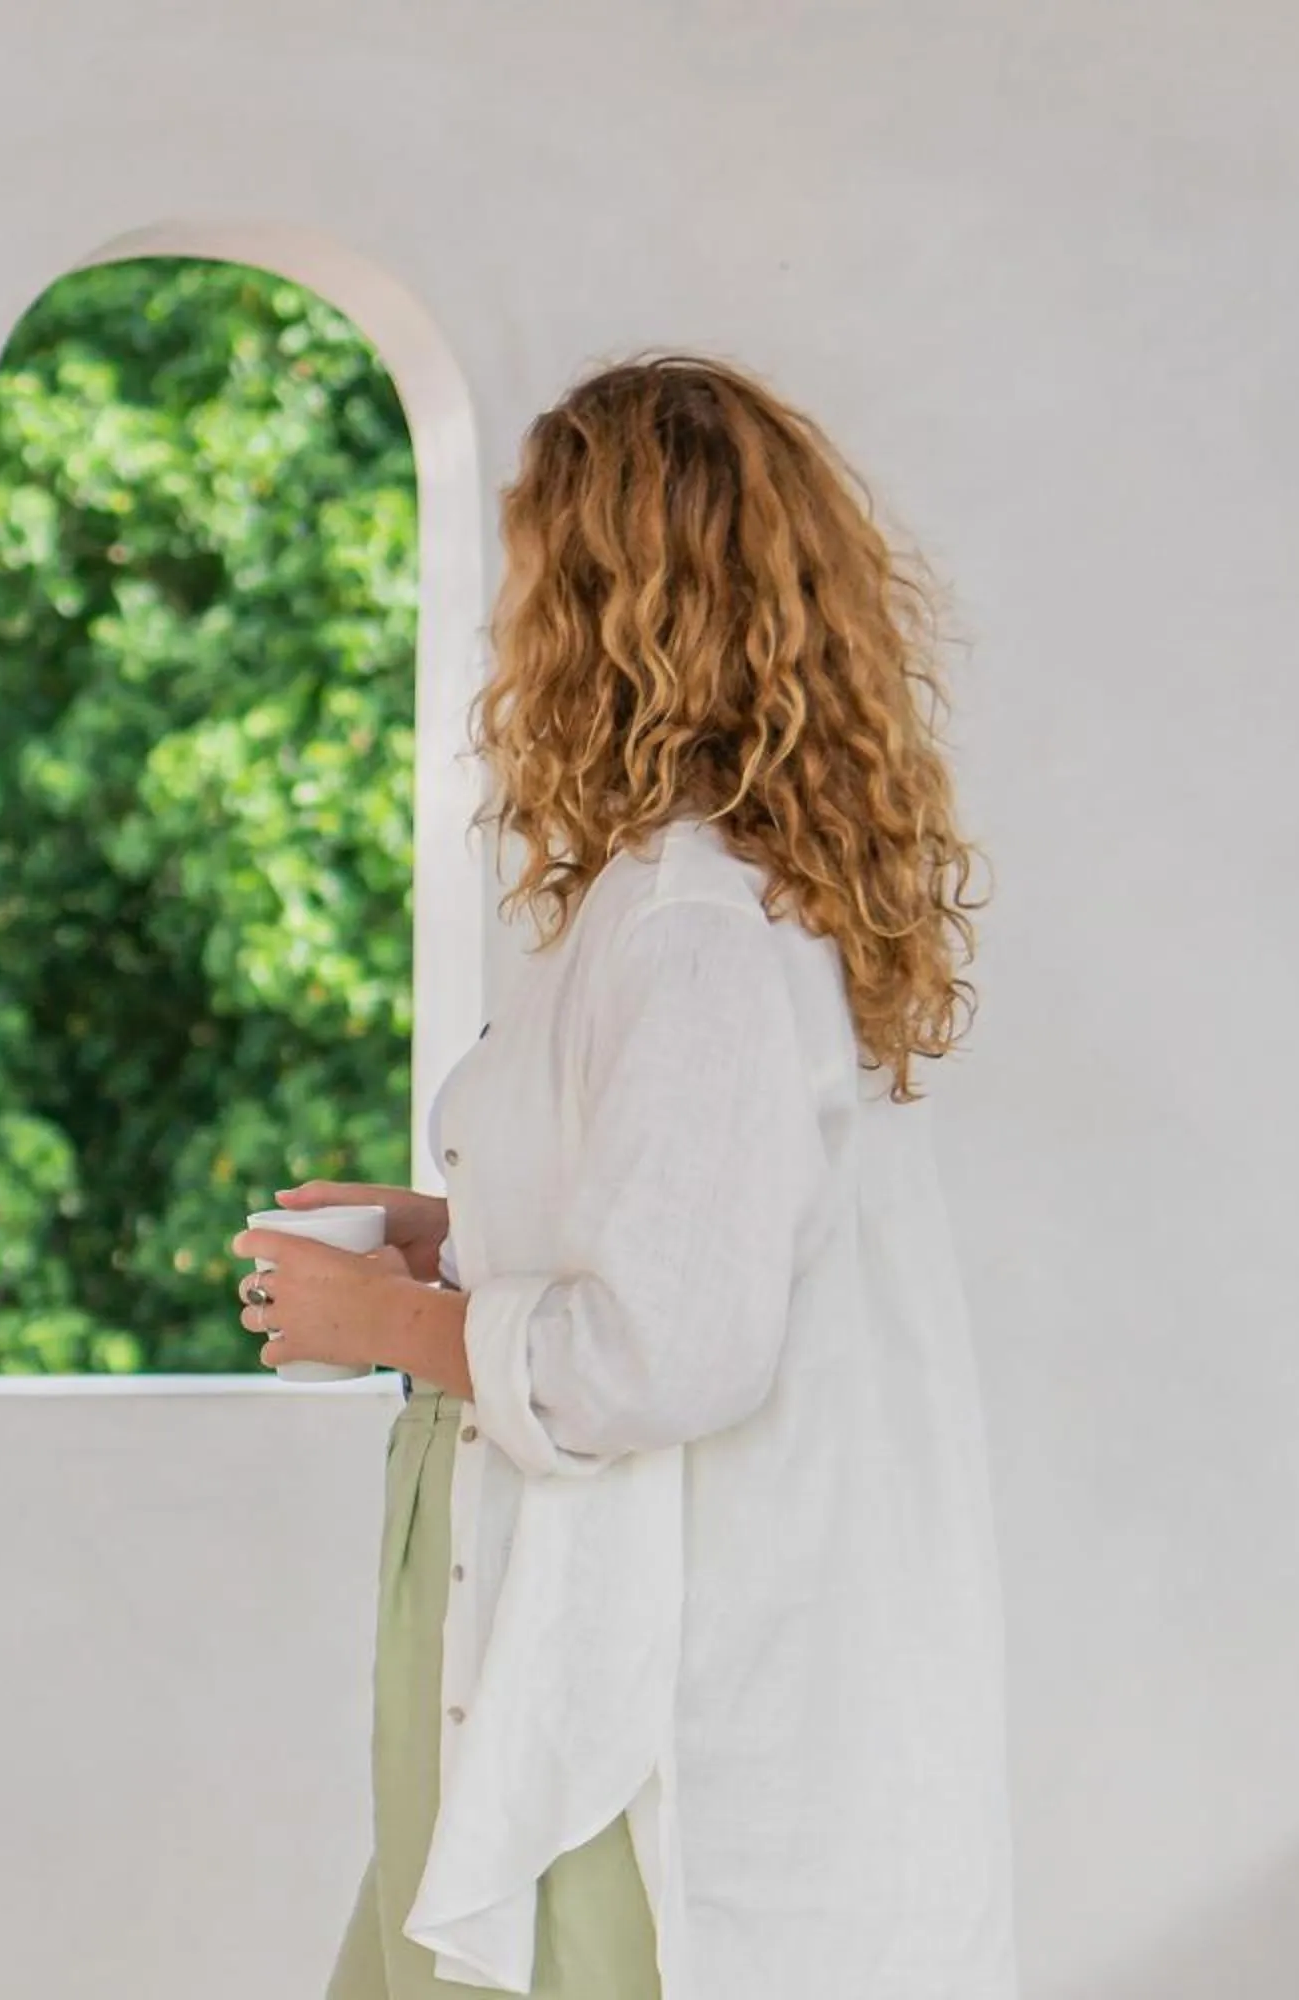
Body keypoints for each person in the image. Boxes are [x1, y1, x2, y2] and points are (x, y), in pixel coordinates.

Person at [231, 357, 1016, 2000]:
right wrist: (449, 1233)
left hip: (645, 1668)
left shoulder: (697, 937)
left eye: (534, 576)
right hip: (560, 1616)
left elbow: (663, 1352)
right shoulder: (683, 907)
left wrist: (381, 1312)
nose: (505, 624)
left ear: (611, 610)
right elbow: (675, 1227)